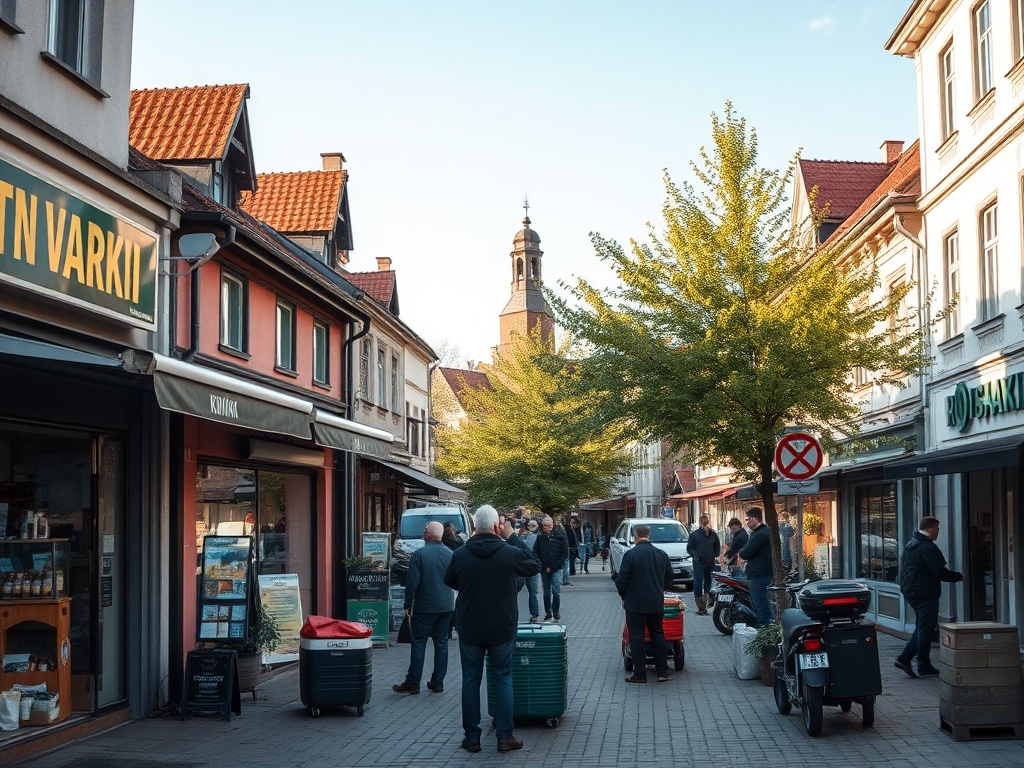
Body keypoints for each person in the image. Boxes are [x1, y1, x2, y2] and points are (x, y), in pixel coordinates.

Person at [444, 504, 540, 753]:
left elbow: (450, 581)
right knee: (503, 679)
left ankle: (472, 737)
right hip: (502, 626)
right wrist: (513, 537)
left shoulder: (461, 554)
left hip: (470, 627)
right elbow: (534, 565)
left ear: (475, 526)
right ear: (497, 526)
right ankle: (505, 736)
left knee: (470, 681)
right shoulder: (509, 553)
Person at [895, 516, 963, 677]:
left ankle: (905, 659)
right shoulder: (928, 547)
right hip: (925, 593)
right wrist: (958, 576)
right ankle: (922, 664)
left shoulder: (911, 544)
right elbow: (939, 571)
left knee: (922, 627)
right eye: (937, 529)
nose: (938, 532)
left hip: (911, 591)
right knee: (926, 628)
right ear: (931, 528)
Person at [393, 521, 455, 695]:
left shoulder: (419, 554)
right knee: (441, 643)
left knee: (419, 643)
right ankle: (438, 683)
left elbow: (412, 582)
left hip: (425, 606)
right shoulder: (451, 554)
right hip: (446, 606)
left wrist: (408, 603)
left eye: (424, 531)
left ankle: (413, 682)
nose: (423, 534)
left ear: (428, 533)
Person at [616, 524, 674, 683]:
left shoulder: (631, 555)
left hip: (635, 603)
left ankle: (640, 673)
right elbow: (669, 578)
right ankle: (662, 671)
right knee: (657, 633)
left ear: (635, 535)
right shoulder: (661, 554)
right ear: (648, 535)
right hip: (656, 601)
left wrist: (624, 596)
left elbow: (621, 580)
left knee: (636, 636)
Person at [736, 507, 773, 626]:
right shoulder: (760, 532)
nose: (747, 522)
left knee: (760, 604)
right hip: (759, 573)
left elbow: (746, 552)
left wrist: (741, 553)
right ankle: (767, 628)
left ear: (755, 519)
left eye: (748, 519)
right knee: (762, 603)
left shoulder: (760, 534)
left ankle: (765, 629)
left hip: (760, 574)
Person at [533, 516, 569, 621]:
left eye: (547, 525)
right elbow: (536, 553)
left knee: (556, 590)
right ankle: (548, 612)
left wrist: (554, 566)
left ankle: (556, 611)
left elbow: (564, 553)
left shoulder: (560, 536)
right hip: (544, 568)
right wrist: (543, 566)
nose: (545, 527)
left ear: (551, 526)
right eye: (543, 525)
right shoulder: (540, 538)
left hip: (556, 568)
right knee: (546, 592)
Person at [686, 513, 720, 616]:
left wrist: (715, 555)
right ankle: (700, 604)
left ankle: (704, 603)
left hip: (709, 561)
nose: (705, 524)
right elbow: (689, 547)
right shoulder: (695, 535)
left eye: (706, 521)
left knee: (707, 581)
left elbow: (717, 546)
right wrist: (695, 555)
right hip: (699, 561)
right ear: (701, 522)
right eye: (703, 521)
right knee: (698, 581)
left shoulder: (713, 534)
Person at [518, 519, 541, 623]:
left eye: (533, 525)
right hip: (522, 567)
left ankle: (535, 614)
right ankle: (515, 614)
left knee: (533, 592)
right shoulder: (521, 535)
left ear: (537, 526)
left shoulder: (537, 537)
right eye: (529, 525)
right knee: (515, 591)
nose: (530, 527)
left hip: (531, 567)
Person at [562, 516, 578, 583]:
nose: (572, 524)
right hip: (569, 547)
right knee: (568, 562)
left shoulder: (571, 529)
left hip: (571, 547)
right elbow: (570, 538)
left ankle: (571, 572)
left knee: (570, 561)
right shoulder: (568, 529)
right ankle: (569, 574)